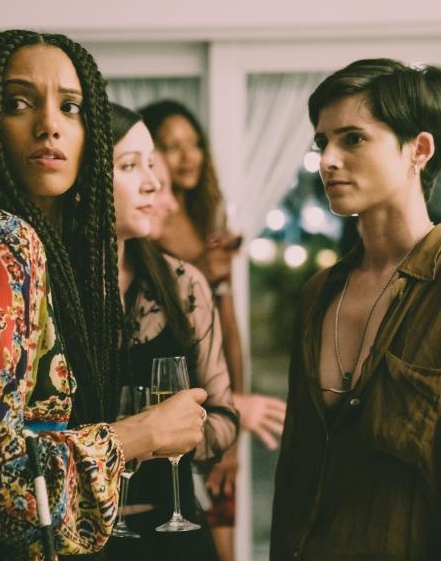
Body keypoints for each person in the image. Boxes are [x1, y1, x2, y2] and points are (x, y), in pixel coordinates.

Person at [0, 31, 208, 560]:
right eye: (17, 103)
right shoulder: (3, 241)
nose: (49, 124)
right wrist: (140, 435)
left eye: (70, 107)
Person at [270, 59, 441, 560]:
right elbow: (295, 481)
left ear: (419, 149)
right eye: (321, 142)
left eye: (352, 139)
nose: (327, 159)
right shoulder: (319, 294)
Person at [139, 99, 286, 560]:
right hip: (174, 379)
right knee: (185, 511)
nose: (187, 156)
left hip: (217, 375)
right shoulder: (151, 224)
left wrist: (234, 414)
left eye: (193, 144)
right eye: (171, 146)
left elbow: (228, 326)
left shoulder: (204, 222)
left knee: (223, 511)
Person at [104, 104, 238, 560]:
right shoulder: (44, 293)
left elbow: (224, 414)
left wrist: (168, 435)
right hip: (83, 543)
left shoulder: (184, 285)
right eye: (129, 166)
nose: (154, 183)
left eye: (151, 165)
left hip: (176, 535)